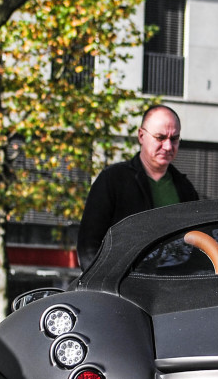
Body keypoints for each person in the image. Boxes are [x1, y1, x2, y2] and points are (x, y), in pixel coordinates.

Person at [77, 105, 199, 267]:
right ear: (141, 136)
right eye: (160, 138)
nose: (168, 146)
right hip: (119, 288)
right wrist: (103, 285)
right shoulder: (112, 180)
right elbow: (88, 246)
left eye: (174, 139)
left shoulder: (186, 190)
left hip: (171, 286)